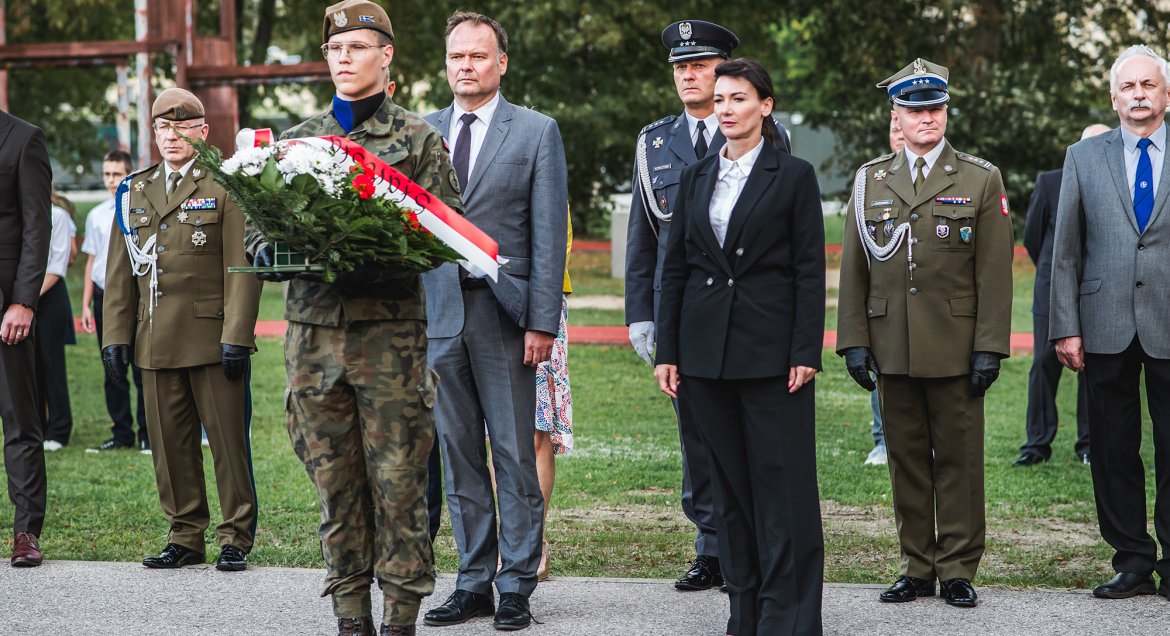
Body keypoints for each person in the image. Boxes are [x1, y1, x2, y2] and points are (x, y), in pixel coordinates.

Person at [247, 2, 460, 634]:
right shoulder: (298, 142)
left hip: (389, 342)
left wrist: (378, 251)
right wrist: (275, 254)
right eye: (336, 49)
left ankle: (399, 618)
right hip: (314, 342)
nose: (344, 58)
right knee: (334, 485)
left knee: (398, 485)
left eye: (359, 47)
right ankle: (349, 616)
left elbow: (447, 230)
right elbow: (260, 232)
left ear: (386, 56)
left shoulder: (418, 138)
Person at [656, 58, 825, 636]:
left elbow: (809, 270)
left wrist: (806, 349)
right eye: (720, 99)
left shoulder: (794, 174)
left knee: (784, 493)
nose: (726, 109)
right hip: (704, 358)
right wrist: (668, 350)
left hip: (774, 357)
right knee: (727, 493)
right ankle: (745, 614)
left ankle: (791, 619)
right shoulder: (697, 175)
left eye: (739, 99)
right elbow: (674, 267)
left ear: (765, 105)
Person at [836, 58, 1014, 608]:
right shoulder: (871, 179)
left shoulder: (980, 178)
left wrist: (989, 346)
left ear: (946, 112)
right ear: (897, 115)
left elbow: (994, 272)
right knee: (906, 458)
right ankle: (916, 565)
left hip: (957, 346)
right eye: (914, 110)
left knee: (959, 458)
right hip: (892, 344)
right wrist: (854, 339)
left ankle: (958, 567)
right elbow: (853, 269)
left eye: (935, 108)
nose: (926, 118)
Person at [627, 19, 788, 592]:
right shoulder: (654, 142)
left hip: (745, 314)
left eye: (700, 65)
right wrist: (640, 315)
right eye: (680, 67)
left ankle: (744, 542)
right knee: (696, 435)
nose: (689, 75)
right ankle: (711, 545)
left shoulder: (762, 133)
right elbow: (644, 237)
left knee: (746, 433)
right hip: (683, 312)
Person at [420, 11, 568, 632]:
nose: (465, 67)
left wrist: (542, 322)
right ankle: (473, 581)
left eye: (478, 57)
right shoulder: (420, 132)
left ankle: (516, 585)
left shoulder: (536, 132)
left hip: (506, 319)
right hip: (439, 317)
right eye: (457, 57)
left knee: (511, 453)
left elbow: (547, 236)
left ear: (500, 63)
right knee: (457, 457)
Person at [102, 88, 261, 574]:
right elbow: (118, 274)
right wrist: (115, 338)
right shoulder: (134, 189)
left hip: (213, 339)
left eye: (182, 126)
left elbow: (241, 266)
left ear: (202, 132)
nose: (171, 136)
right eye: (162, 128)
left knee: (229, 445)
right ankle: (185, 535)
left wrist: (237, 333)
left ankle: (235, 536)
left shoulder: (226, 185)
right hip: (154, 338)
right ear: (153, 133)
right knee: (170, 448)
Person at [1050, 44, 1170, 601]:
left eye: (1148, 85)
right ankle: (1132, 560)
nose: (1139, 94)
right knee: (1114, 447)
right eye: (1129, 87)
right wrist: (1064, 326)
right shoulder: (1084, 156)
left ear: (1165, 94)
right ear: (1114, 97)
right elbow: (1066, 251)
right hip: (1103, 323)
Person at [1015, 124, 1109, 467]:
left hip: (1099, 293)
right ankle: (1037, 445)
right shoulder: (1050, 181)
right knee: (1043, 365)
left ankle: (1089, 445)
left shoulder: (1117, 184)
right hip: (1053, 291)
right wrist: (1056, 273)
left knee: (1095, 369)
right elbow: (1033, 239)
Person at [0, 108, 52, 567]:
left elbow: (38, 226)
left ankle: (26, 533)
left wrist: (24, 301)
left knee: (20, 423)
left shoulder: (24, 139)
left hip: (6, 309)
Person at [82, 150, 150, 454]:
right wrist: (86, 303)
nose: (111, 180)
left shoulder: (138, 209)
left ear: (129, 175)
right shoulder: (96, 214)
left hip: (133, 297)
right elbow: (91, 261)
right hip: (103, 295)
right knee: (112, 366)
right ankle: (121, 433)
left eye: (117, 174)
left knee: (139, 365)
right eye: (107, 174)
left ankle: (147, 433)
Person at [863, 115, 907, 467]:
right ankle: (882, 441)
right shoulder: (872, 182)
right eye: (893, 129)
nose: (899, 135)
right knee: (882, 372)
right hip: (883, 299)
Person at [35, 201, 76, 450]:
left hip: (49, 296)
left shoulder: (57, 216)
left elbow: (58, 265)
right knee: (29, 366)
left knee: (51, 363)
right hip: (21, 297)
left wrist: (24, 298)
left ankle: (59, 430)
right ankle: (36, 426)